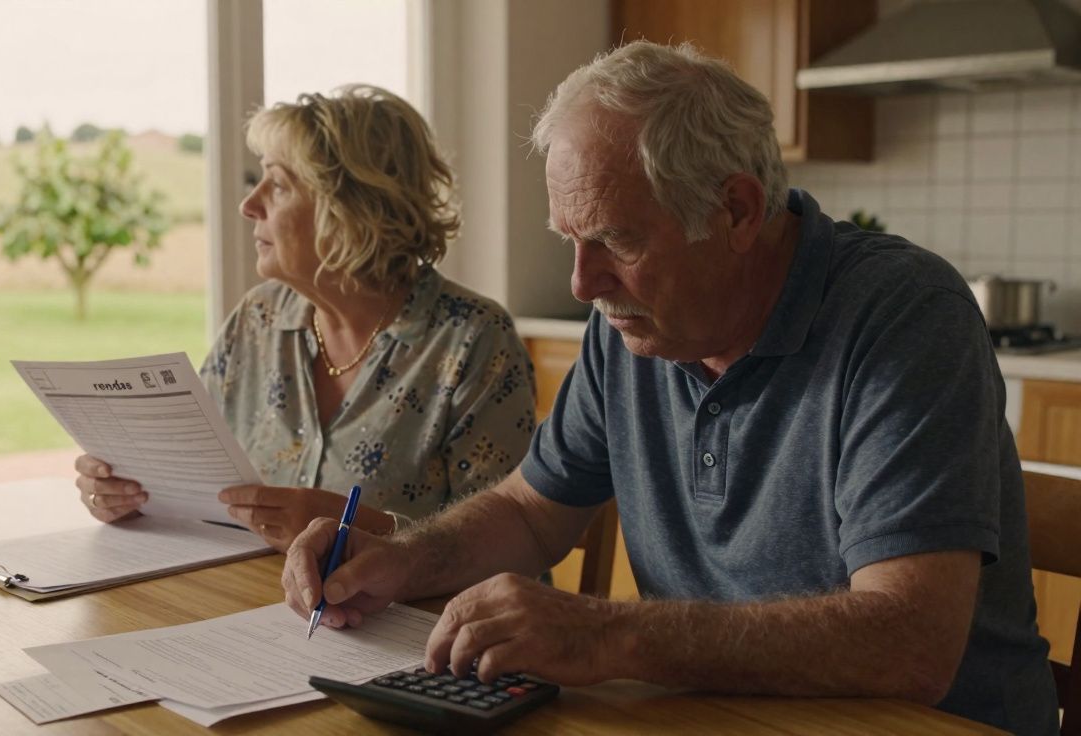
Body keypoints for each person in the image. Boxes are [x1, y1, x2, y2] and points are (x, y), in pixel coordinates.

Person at [281, 42, 1056, 735]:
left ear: (737, 211)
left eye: (617, 240)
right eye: (571, 242)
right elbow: (528, 512)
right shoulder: (634, 327)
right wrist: (398, 557)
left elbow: (908, 641)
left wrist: (606, 634)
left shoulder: (904, 317)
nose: (583, 284)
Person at [74, 85, 537, 552]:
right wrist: (131, 493)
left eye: (277, 184)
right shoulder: (257, 319)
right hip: (247, 607)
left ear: (355, 208)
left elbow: (506, 546)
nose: (248, 204)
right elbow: (189, 477)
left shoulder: (474, 342)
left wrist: (362, 530)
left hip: (411, 622)